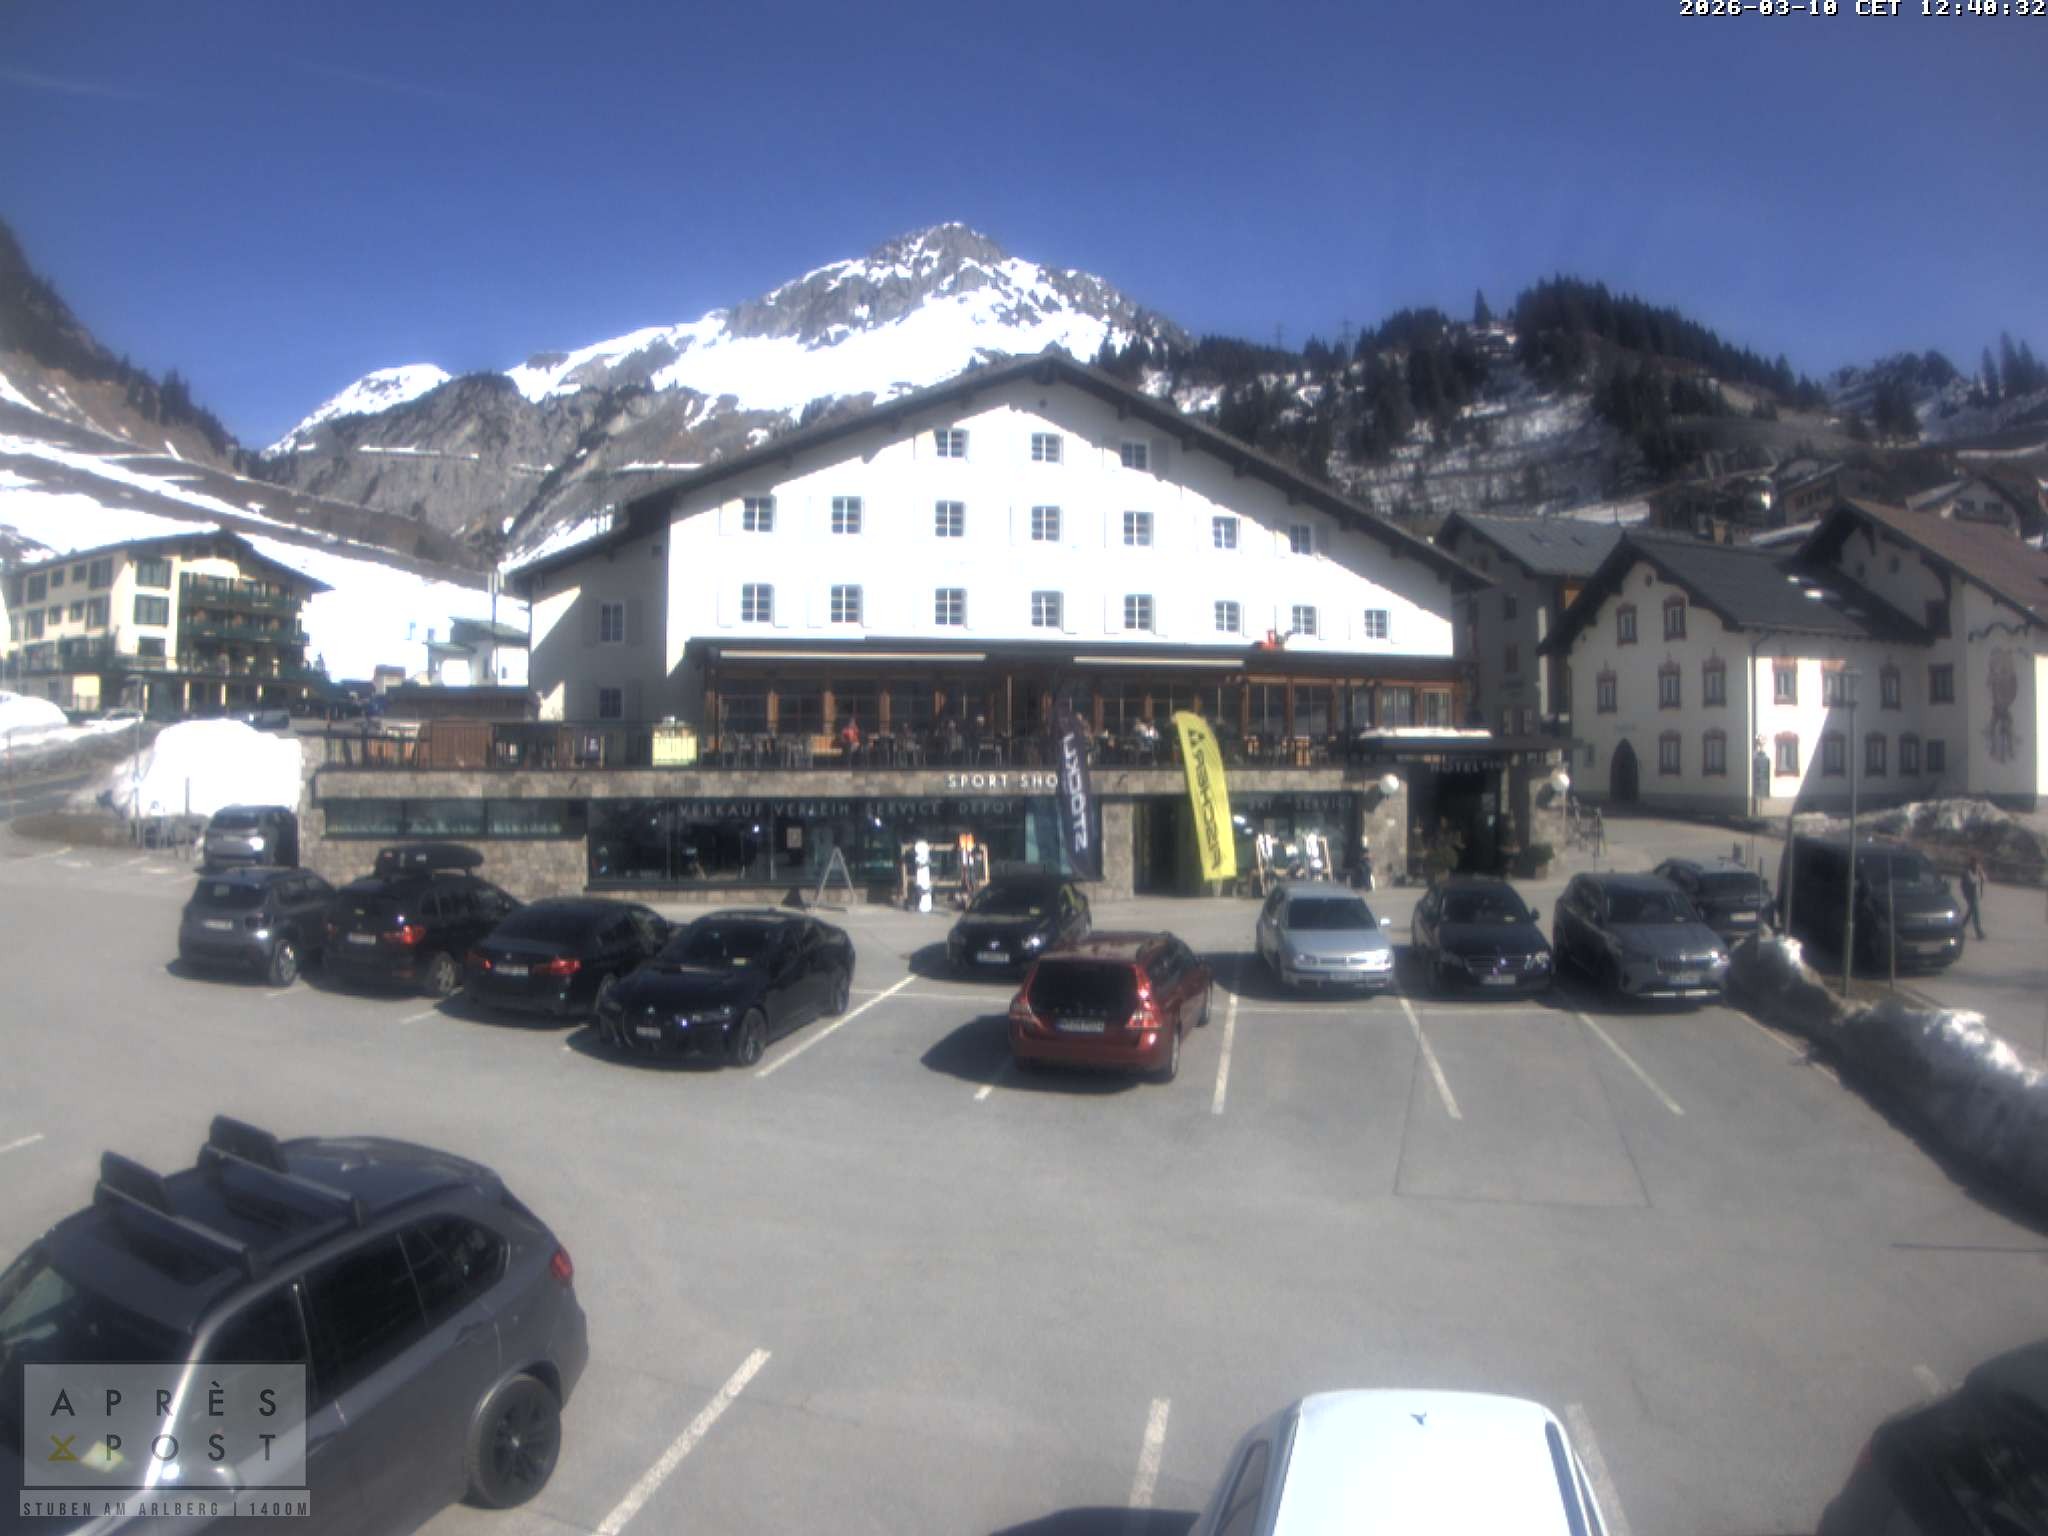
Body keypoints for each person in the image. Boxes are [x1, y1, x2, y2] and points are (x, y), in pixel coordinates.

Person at [1961, 854, 1988, 940]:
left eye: (1977, 863)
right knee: (1975, 912)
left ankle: (1960, 927)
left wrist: (1980, 871)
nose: (1976, 864)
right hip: (1968, 893)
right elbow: (1972, 881)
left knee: (1971, 911)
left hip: (1974, 893)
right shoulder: (1967, 871)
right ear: (1972, 862)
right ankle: (1979, 932)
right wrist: (1979, 875)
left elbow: (1985, 879)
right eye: (1975, 863)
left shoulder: (1977, 869)